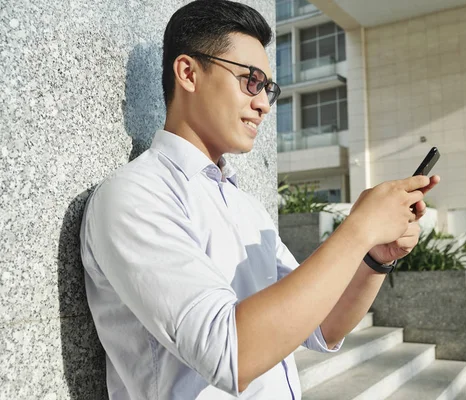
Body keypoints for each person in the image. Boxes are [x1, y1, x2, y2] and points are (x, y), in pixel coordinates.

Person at [80, 0, 440, 399]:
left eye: (268, 88)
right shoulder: (134, 195)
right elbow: (231, 355)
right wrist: (357, 231)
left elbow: (323, 327)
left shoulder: (245, 206)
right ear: (188, 73)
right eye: (250, 81)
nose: (264, 103)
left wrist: (374, 256)